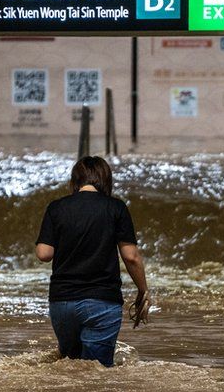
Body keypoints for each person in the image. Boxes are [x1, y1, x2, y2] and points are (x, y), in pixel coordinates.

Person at [35, 156, 150, 367]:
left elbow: (44, 253)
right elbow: (131, 257)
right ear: (105, 179)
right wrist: (143, 290)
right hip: (102, 302)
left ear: (75, 180)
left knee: (71, 367)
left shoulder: (57, 208)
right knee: (97, 374)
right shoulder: (116, 208)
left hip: (62, 303)